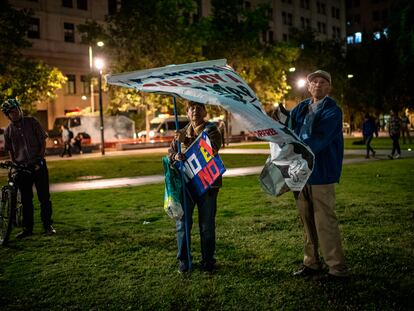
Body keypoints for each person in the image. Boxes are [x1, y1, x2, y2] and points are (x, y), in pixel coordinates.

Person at [288, 70, 349, 279]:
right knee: (307, 221)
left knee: (325, 221)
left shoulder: (333, 111)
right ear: (308, 86)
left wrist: (295, 148)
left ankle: (336, 267)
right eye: (314, 82)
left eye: (323, 82)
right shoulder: (301, 108)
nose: (318, 85)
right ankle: (311, 263)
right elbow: (288, 130)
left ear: (329, 87)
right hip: (300, 173)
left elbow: (320, 139)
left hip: (321, 172)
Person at [168, 101, 222, 273]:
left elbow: (211, 149)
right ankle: (184, 260)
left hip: (208, 185)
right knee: (183, 224)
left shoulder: (212, 129)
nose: (195, 111)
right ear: (186, 112)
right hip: (187, 185)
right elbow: (169, 153)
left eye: (199, 108)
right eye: (191, 108)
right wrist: (175, 156)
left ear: (205, 111)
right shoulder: (180, 132)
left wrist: (188, 140)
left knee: (206, 225)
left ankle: (208, 261)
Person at [1, 98, 56, 238]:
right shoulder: (8, 131)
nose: (16, 113)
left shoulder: (32, 122)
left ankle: (47, 225)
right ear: (8, 115)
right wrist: (15, 164)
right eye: (12, 112)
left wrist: (39, 159)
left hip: (38, 165)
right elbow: (11, 151)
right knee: (26, 200)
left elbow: (42, 141)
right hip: (22, 168)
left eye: (17, 109)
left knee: (44, 197)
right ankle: (27, 228)